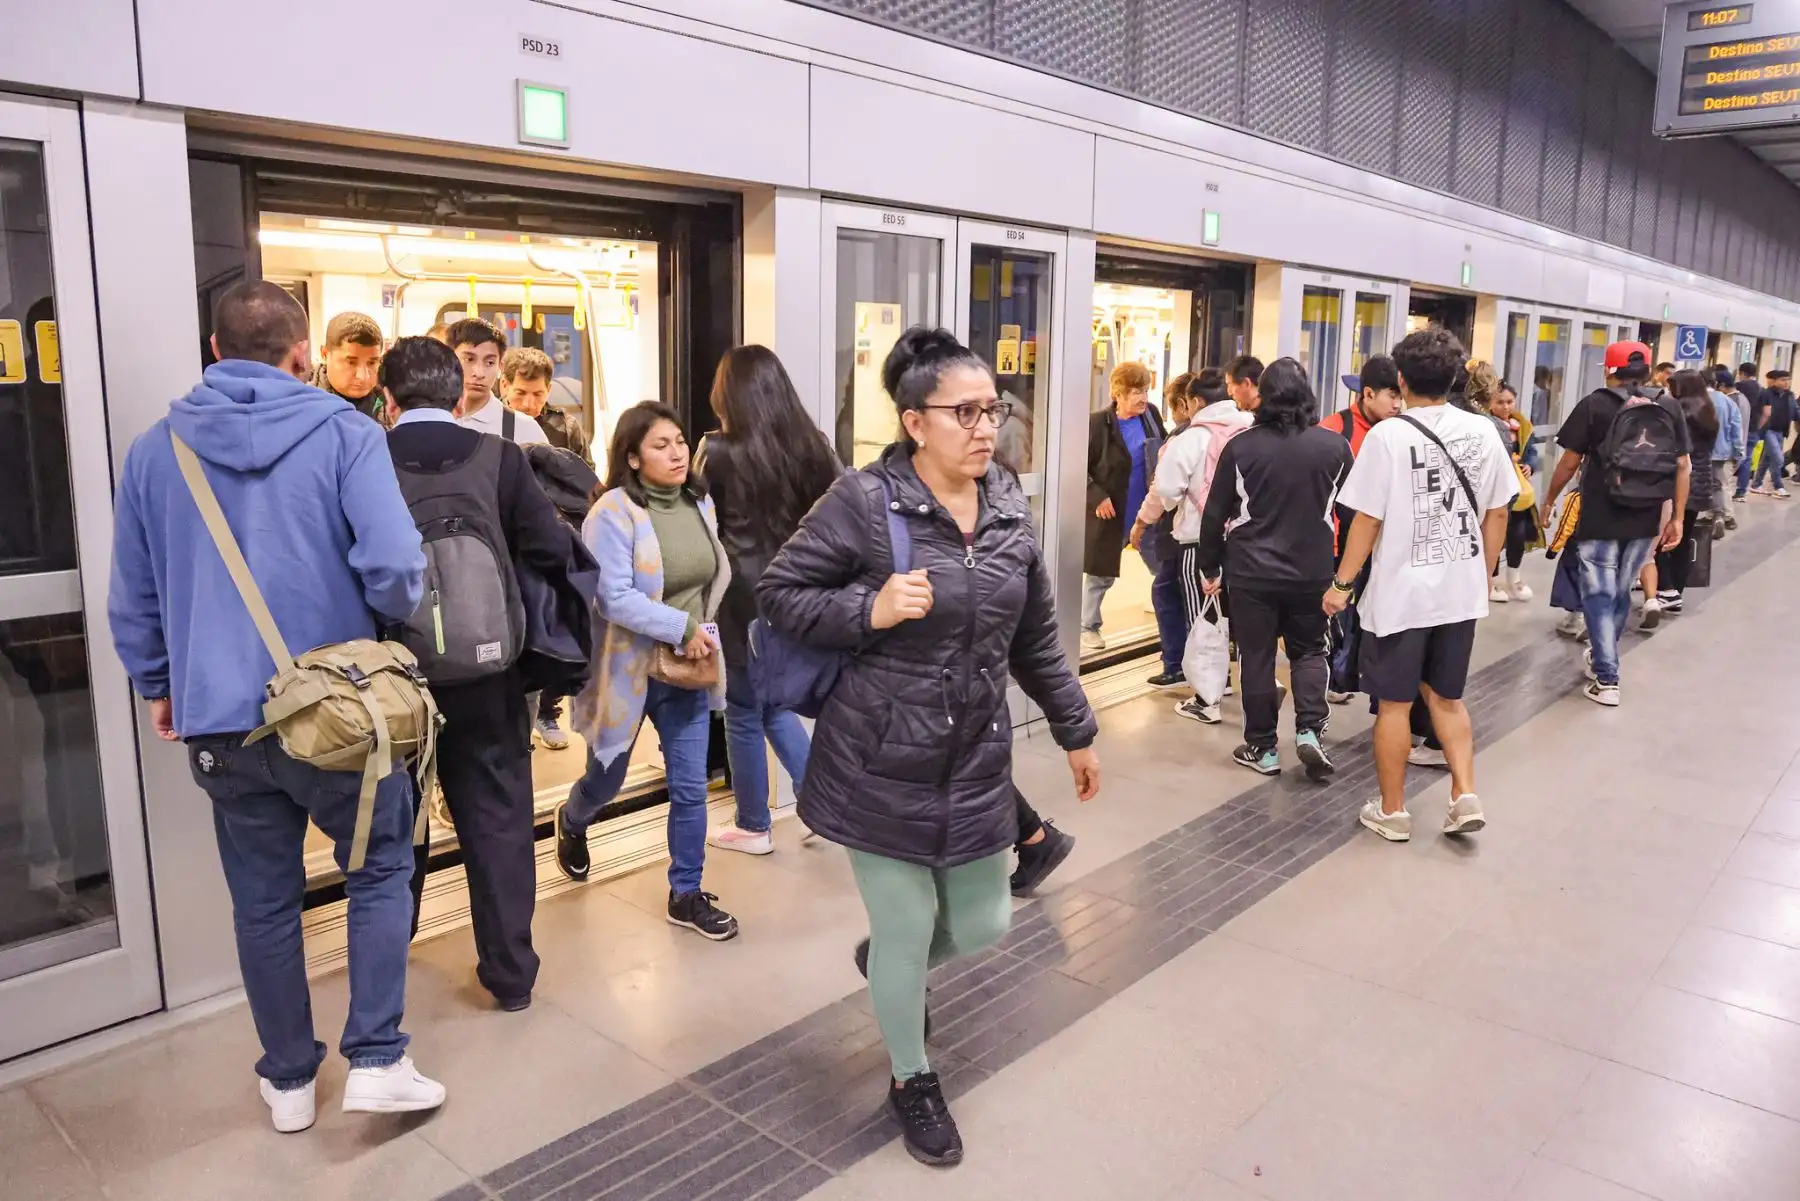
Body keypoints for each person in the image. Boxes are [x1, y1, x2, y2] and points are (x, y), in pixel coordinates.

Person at [758, 327, 1100, 1167]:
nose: (986, 428)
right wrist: (868, 609)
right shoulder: (864, 501)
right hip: (878, 755)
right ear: (915, 422)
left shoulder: (1008, 503)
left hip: (975, 757)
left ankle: (888, 965)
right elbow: (779, 591)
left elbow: (1034, 637)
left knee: (984, 921)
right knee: (909, 924)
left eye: (993, 409)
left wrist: (1076, 729)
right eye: (964, 413)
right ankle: (911, 1075)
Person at [107, 281, 440, 1133]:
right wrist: (375, 614)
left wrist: (158, 683)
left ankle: (290, 1081)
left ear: (216, 351)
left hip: (220, 718)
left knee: (263, 900)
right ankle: (377, 1059)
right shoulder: (349, 434)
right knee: (379, 869)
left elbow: (133, 595)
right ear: (301, 355)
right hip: (337, 712)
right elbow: (397, 566)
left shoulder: (154, 452)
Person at [382, 336, 569, 1011]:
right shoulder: (499, 457)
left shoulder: (367, 459)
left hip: (394, 678)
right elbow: (552, 549)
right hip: (490, 675)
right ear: (457, 395)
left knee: (395, 818)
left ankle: (390, 951)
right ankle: (510, 975)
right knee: (497, 822)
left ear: (388, 400)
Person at [556, 401, 739, 941]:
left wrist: (702, 633)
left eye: (680, 442)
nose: (678, 453)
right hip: (626, 669)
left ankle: (686, 893)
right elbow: (612, 598)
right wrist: (683, 626)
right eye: (661, 445)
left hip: (686, 669)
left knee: (690, 786)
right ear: (632, 458)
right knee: (606, 780)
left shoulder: (699, 502)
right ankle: (572, 818)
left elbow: (709, 580)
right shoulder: (611, 513)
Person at [1324, 328, 1516, 842]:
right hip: (1459, 593)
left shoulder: (1388, 436)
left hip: (1401, 594)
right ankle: (1465, 793)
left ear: (1402, 381)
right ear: (1454, 379)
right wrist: (1483, 572)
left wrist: (1342, 584)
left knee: (1395, 704)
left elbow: (1367, 520)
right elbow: (1499, 511)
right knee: (1448, 698)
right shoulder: (1484, 432)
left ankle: (1393, 812)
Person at [697, 345, 838, 856]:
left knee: (741, 707)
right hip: (796, 586)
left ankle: (753, 824)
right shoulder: (814, 446)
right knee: (773, 699)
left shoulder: (715, 450)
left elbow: (696, 516)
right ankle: (820, 805)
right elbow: (840, 512)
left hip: (739, 592)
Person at [1195, 358, 1353, 779]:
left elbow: (1214, 514)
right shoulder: (1335, 447)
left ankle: (1263, 748)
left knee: (1257, 657)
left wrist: (1209, 566)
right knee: (1310, 650)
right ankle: (1310, 731)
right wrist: (1347, 574)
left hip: (1251, 572)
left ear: (1263, 396)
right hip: (1312, 571)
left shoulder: (1241, 447)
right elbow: (1353, 514)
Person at [1536, 342, 1689, 706]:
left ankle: (1607, 676)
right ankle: (1602, 655)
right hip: (1645, 516)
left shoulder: (1595, 403)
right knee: (1619, 591)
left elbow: (1570, 461)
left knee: (1598, 594)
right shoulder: (1667, 405)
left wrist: (1550, 498)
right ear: (1648, 370)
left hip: (1600, 516)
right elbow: (1683, 464)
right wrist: (1678, 517)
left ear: (1609, 370)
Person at [1131, 369, 1251, 696]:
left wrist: (1143, 521)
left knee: (1203, 615)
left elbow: (1166, 491)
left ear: (1195, 402)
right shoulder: (1250, 427)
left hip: (1200, 538)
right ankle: (1248, 684)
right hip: (1246, 538)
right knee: (1239, 613)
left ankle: (1208, 693)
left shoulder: (1190, 439)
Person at [1318, 356, 1405, 708]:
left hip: (1384, 547)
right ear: (1367, 394)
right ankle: (1334, 676)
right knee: (1335, 614)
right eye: (1391, 396)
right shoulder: (1334, 429)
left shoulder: (1400, 433)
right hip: (1340, 543)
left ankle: (1357, 677)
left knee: (1369, 617)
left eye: (1401, 396)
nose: (1397, 404)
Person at [1082, 362, 1166, 652]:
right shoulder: (1098, 424)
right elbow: (1079, 466)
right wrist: (1097, 496)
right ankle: (1088, 625)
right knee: (1100, 575)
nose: (1143, 398)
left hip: (1147, 511)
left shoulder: (1151, 416)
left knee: (1162, 570)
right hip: (1113, 512)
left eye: (1145, 391)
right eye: (1135, 392)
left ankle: (1171, 623)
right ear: (1118, 394)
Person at [1652, 370, 1723, 616]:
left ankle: (1666, 588)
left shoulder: (1680, 413)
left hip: (1681, 481)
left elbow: (1676, 452)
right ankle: (1676, 591)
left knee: (1662, 538)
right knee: (1682, 540)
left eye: (1672, 386)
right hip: (1701, 481)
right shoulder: (1708, 410)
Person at [449, 318, 549, 445]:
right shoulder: (430, 419)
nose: (479, 373)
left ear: (500, 367)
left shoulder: (525, 430)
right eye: (469, 359)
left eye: (490, 362)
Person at [1487, 382, 1539, 602]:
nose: (1506, 406)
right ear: (1490, 403)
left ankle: (1514, 578)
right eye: (1500, 402)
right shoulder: (1485, 425)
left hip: (1519, 491)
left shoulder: (1522, 425)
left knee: (1518, 534)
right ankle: (1490, 581)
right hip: (1495, 488)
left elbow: (1532, 451)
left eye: (1509, 401)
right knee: (1493, 535)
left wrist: (1530, 465)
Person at [501, 346, 591, 463]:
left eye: (537, 394)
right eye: (521, 393)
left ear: (548, 390)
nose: (528, 404)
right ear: (505, 385)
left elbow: (586, 472)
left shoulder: (566, 430)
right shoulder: (488, 421)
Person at [311, 311, 386, 424]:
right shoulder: (300, 406)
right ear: (325, 354)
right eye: (351, 363)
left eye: (371, 363)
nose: (363, 376)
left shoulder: (394, 405)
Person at [1709, 366, 1745, 531]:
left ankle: (1717, 515)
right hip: (1723, 451)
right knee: (1722, 484)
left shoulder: (1701, 399)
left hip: (1703, 451)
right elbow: (1736, 430)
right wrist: (1739, 452)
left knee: (1711, 485)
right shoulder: (1730, 403)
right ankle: (1726, 516)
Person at [1749, 367, 1791, 498]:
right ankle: (1778, 486)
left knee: (1766, 459)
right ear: (1774, 381)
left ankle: (1756, 484)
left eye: (1788, 380)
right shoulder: (1767, 394)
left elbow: (1793, 412)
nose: (1786, 382)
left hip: (1781, 431)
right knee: (1778, 459)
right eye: (1783, 380)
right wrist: (1759, 428)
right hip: (1768, 430)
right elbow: (1762, 412)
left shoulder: (1789, 395)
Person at [1734, 362, 1763, 501]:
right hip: (1753, 429)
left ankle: (1722, 488)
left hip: (1739, 428)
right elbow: (1766, 412)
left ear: (1741, 373)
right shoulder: (1762, 389)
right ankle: (1741, 491)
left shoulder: (1738, 387)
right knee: (1747, 459)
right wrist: (1758, 426)